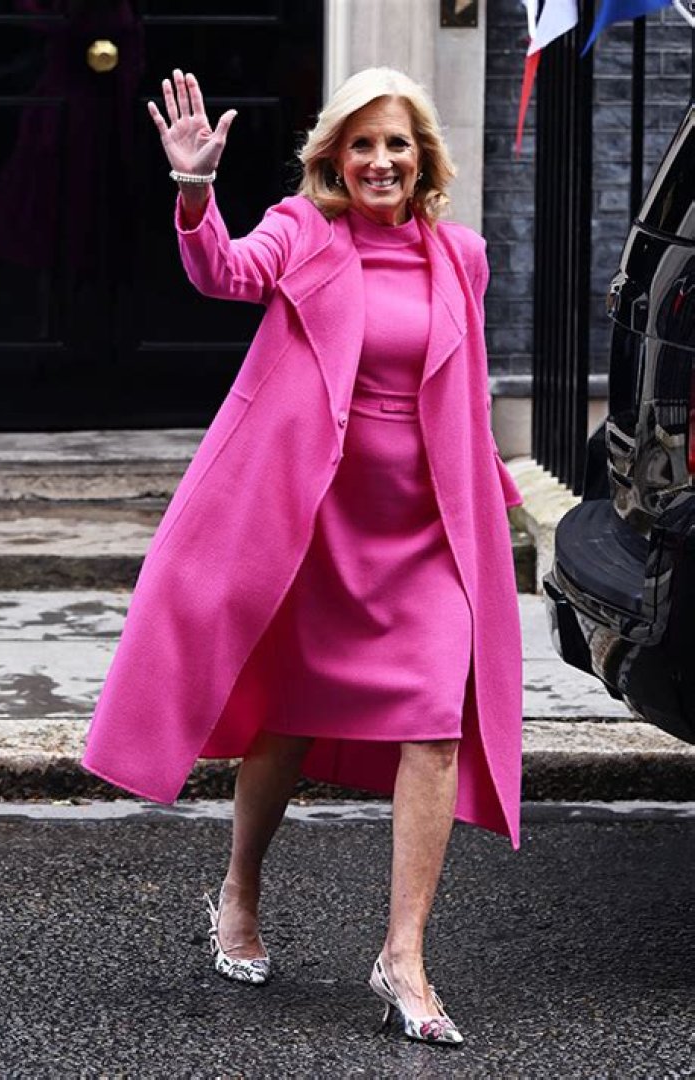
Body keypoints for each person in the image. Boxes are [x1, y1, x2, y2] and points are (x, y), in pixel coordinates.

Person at [83, 66, 523, 1047]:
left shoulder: (463, 258)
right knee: (281, 724)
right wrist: (194, 192)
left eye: (398, 144)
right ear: (334, 157)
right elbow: (224, 272)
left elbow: (464, 392)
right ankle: (238, 892)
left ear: (422, 161)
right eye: (361, 144)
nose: (380, 161)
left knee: (435, 725)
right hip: (314, 528)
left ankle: (402, 952)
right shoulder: (302, 231)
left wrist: (494, 487)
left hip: (423, 536)